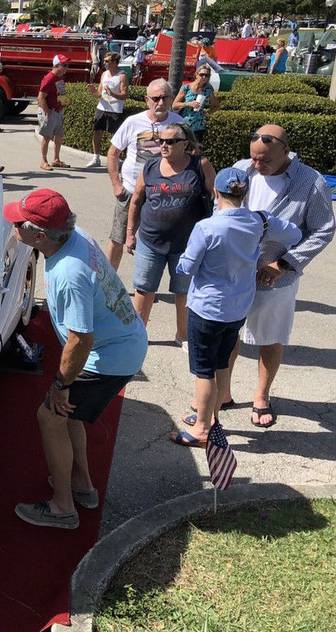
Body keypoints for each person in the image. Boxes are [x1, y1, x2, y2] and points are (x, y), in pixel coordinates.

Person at [6, 189, 147, 530]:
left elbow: (81, 339)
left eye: (18, 224)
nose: (12, 226)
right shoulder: (74, 236)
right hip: (123, 345)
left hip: (107, 358)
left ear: (39, 235)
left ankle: (62, 508)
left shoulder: (69, 273)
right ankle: (82, 487)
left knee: (51, 415)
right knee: (71, 416)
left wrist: (60, 385)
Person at [172, 167, 301, 446]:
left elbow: (187, 268)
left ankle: (202, 428)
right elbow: (293, 233)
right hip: (237, 309)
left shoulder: (206, 227)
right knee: (220, 364)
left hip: (207, 308)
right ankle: (211, 417)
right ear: (245, 194)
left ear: (216, 192)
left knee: (203, 370)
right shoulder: (260, 222)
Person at [222, 125, 335, 428]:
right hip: (234, 272)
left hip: (277, 276)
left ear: (285, 151)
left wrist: (285, 263)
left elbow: (323, 229)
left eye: (264, 161)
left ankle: (261, 396)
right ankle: (223, 392)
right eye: (254, 159)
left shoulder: (310, 182)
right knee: (228, 333)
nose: (256, 167)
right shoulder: (241, 168)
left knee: (270, 338)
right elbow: (219, 208)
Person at [125, 123, 215, 345]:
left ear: (185, 144)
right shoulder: (151, 166)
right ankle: (138, 335)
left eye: (170, 141)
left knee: (183, 292)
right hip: (150, 240)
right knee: (144, 290)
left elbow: (217, 199)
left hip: (187, 243)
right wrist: (130, 233)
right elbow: (136, 200)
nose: (164, 145)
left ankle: (182, 336)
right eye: (161, 141)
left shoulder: (200, 165)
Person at [105, 78, 184, 271]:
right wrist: (116, 185)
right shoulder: (133, 122)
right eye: (155, 98)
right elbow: (113, 153)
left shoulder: (179, 124)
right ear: (146, 99)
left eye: (165, 97)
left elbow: (189, 154)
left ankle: (146, 287)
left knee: (154, 243)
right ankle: (107, 284)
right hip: (131, 190)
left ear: (172, 98)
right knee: (118, 237)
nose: (160, 102)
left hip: (162, 193)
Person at [87, 52, 127, 168]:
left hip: (115, 110)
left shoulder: (122, 76)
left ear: (115, 62)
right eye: (104, 61)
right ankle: (96, 158)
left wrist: (113, 94)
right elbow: (99, 93)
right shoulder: (104, 74)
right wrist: (94, 91)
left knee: (115, 136)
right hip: (101, 107)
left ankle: (116, 159)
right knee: (96, 132)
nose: (105, 63)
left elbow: (124, 95)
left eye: (107, 61)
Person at [37, 54, 69, 171]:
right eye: (64, 65)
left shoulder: (60, 77)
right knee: (47, 136)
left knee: (59, 136)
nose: (67, 67)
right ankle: (43, 161)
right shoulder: (49, 78)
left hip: (57, 110)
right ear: (56, 65)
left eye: (67, 65)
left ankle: (56, 159)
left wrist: (63, 103)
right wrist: (47, 112)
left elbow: (60, 93)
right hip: (50, 111)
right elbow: (41, 97)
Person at [173, 65, 218, 145]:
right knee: (183, 149)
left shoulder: (208, 89)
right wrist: (188, 104)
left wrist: (207, 113)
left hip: (199, 126)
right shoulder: (186, 87)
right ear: (196, 75)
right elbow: (174, 105)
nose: (204, 77)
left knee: (196, 151)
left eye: (207, 75)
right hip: (185, 125)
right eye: (202, 74)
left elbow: (216, 106)